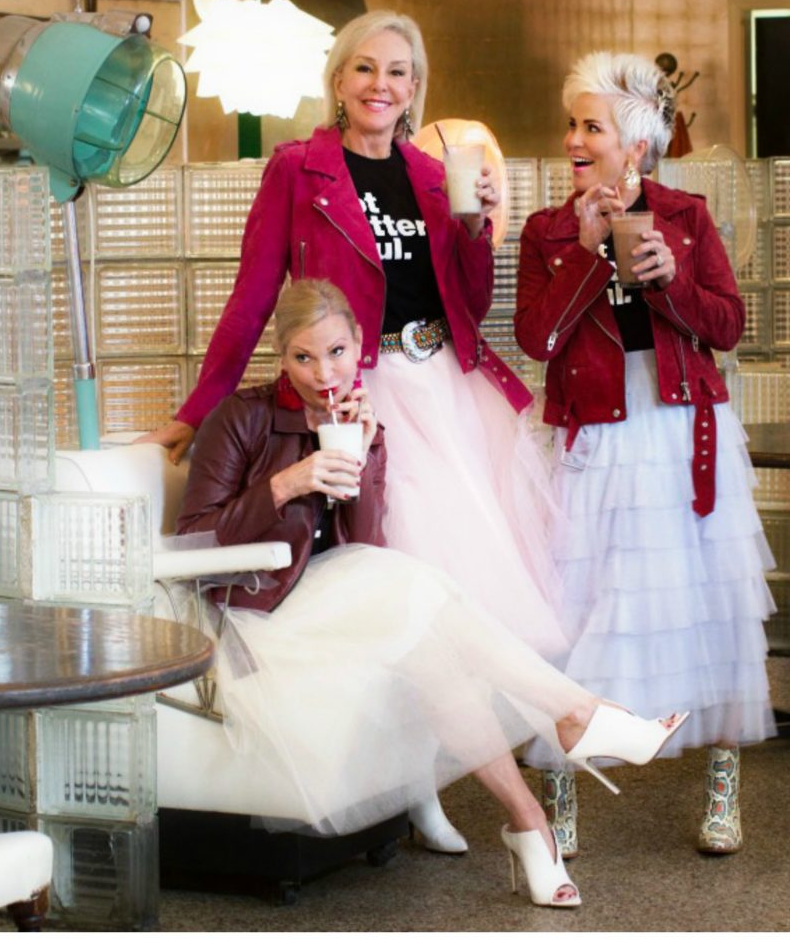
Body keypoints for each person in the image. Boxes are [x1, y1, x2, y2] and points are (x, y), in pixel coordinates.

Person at [141, 10, 569, 851]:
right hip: (362, 395)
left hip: (443, 389)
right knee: (396, 586)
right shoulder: (300, 170)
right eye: (366, 68)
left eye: (401, 72)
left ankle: (424, 778)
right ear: (338, 80)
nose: (383, 85)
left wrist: (477, 229)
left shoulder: (427, 169)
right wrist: (194, 415)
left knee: (462, 594)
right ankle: (417, 789)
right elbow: (251, 299)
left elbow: (469, 304)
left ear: (418, 88)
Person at [176, 278, 687, 908]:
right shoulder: (243, 418)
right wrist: (288, 483)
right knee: (415, 588)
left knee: (437, 658)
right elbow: (194, 544)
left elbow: (364, 542)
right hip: (256, 613)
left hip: (333, 599)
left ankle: (532, 826)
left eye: (336, 352)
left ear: (360, 344)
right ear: (281, 357)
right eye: (303, 358)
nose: (322, 373)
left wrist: (364, 460)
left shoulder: (359, 421)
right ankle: (580, 716)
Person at [515, 52, 776, 859]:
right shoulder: (548, 230)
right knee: (574, 615)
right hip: (592, 435)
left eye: (591, 125)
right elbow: (536, 340)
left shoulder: (688, 218)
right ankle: (558, 805)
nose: (573, 139)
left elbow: (728, 328)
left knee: (710, 610)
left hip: (682, 432)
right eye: (573, 124)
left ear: (636, 146)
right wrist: (592, 256)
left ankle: (722, 795)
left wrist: (668, 283)